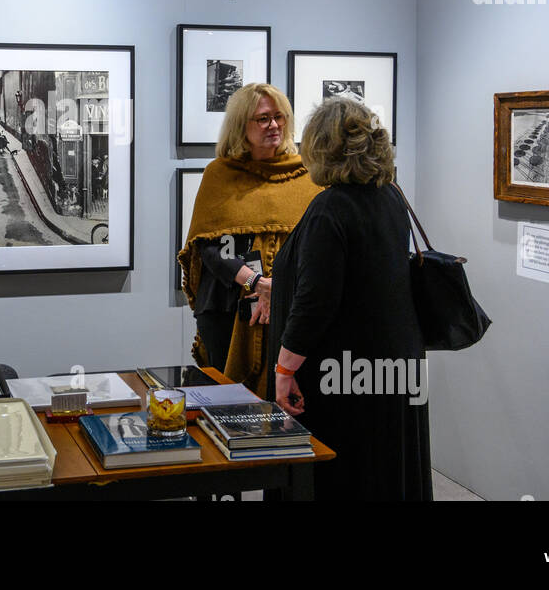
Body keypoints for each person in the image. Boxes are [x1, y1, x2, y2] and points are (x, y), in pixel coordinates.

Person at [271, 96, 432, 500]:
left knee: (342, 476)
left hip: (342, 374)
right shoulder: (390, 196)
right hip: (392, 365)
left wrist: (285, 369)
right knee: (384, 472)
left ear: (321, 148)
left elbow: (315, 302)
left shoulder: (331, 208)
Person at [178, 83, 322, 397]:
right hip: (227, 305)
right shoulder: (220, 174)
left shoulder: (307, 175)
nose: (274, 125)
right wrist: (256, 283)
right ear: (241, 125)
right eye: (263, 118)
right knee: (227, 400)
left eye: (279, 117)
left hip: (290, 304)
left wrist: (279, 289)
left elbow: (316, 246)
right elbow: (209, 248)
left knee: (288, 398)